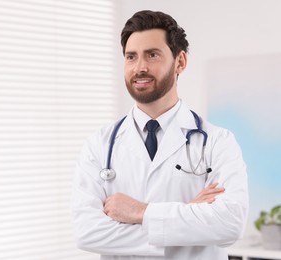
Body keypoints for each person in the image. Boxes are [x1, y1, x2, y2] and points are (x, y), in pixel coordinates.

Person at [71, 10, 249, 260]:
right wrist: (187, 218)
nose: (140, 67)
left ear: (180, 62)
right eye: (131, 57)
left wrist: (141, 212)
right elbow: (87, 232)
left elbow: (230, 224)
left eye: (152, 55)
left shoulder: (218, 142)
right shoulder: (99, 145)